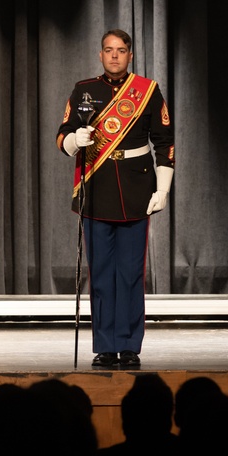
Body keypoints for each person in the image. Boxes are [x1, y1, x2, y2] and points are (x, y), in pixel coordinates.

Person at [56, 28, 175, 369]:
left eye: (121, 50)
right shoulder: (84, 91)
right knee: (102, 272)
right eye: (108, 50)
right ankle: (106, 345)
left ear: (130, 55)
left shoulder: (147, 91)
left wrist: (163, 188)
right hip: (97, 187)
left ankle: (129, 345)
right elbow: (62, 136)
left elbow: (165, 141)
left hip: (137, 189)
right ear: (100, 54)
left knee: (130, 274)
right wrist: (74, 140)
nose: (114, 55)